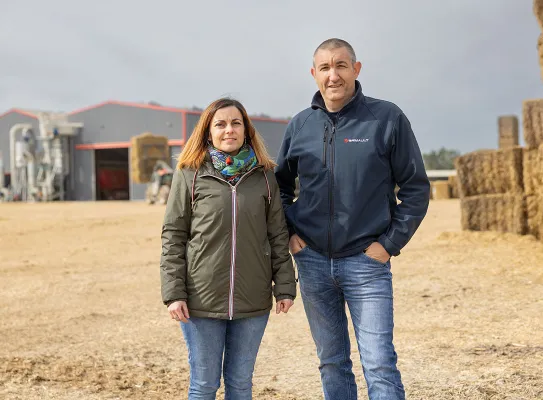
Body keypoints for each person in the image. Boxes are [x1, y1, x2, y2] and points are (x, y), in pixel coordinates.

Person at [275, 38, 430, 400]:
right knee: (331, 362)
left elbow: (416, 188)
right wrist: (290, 233)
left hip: (366, 263)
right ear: (314, 74)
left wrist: (389, 244)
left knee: (378, 363)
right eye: (325, 68)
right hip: (312, 262)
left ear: (357, 70)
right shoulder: (300, 125)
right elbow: (278, 189)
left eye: (341, 66)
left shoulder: (386, 118)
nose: (334, 75)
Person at [160, 98, 296, 400]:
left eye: (236, 123)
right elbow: (173, 235)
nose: (228, 130)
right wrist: (174, 293)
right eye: (220, 124)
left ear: (246, 131)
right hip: (200, 300)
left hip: (252, 300)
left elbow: (277, 234)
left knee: (240, 384)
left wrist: (285, 286)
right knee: (204, 385)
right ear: (208, 132)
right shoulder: (189, 174)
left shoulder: (264, 177)